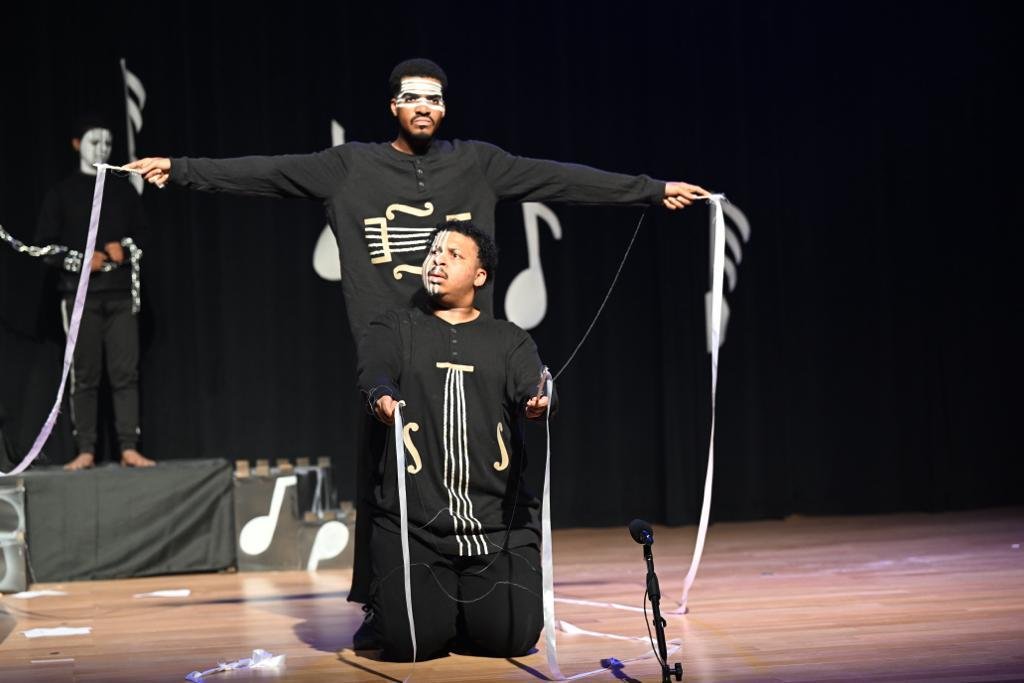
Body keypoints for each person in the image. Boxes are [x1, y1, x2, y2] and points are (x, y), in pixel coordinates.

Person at [125, 57, 708, 615]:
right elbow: (266, 172)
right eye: (412, 97)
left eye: (434, 98)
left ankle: (496, 579)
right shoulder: (350, 166)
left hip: (471, 343)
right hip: (395, 347)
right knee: (386, 472)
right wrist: (179, 169)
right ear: (393, 107)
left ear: (445, 108)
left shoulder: (477, 163)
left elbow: (558, 179)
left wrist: (651, 190)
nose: (423, 106)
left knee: (486, 461)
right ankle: (382, 598)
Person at [357, 219, 550, 660]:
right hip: (414, 525)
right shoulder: (394, 326)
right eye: (433, 252)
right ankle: (430, 609)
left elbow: (533, 385)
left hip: (496, 526)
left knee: (512, 638)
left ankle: (462, 610)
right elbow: (375, 371)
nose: (437, 260)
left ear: (480, 275)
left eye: (453, 254)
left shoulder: (509, 339)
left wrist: (539, 402)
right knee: (409, 644)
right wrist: (381, 395)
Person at [36, 118, 154, 470]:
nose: (102, 149)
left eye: (107, 143)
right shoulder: (62, 193)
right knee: (84, 375)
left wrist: (125, 249)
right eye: (94, 142)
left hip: (121, 296)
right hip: (80, 297)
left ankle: (128, 447)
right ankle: (85, 449)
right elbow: (44, 246)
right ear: (77, 144)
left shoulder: (123, 190)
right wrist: (81, 260)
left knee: (125, 373)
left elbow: (145, 236)